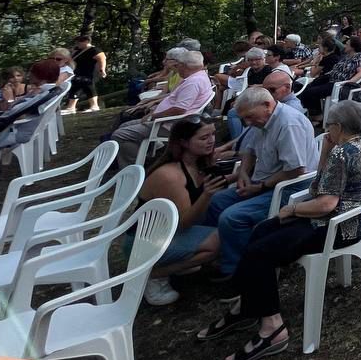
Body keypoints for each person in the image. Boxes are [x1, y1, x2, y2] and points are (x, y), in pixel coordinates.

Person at [196, 99, 361, 360]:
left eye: (329, 127)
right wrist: (326, 151)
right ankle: (247, 305)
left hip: (339, 226)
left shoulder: (344, 153)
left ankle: (272, 328)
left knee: (261, 251)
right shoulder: (358, 144)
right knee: (261, 231)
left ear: (338, 127)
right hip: (334, 220)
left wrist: (293, 210)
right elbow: (321, 188)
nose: (326, 132)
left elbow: (326, 203)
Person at [205, 87, 319, 280]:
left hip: (290, 188)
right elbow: (249, 150)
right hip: (264, 182)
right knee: (217, 200)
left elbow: (295, 170)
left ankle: (239, 272)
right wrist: (243, 174)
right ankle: (220, 251)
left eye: (249, 117)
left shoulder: (288, 124)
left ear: (267, 105)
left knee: (231, 217)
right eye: (244, 119)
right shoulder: (263, 120)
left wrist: (259, 187)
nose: (247, 123)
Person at [137, 116, 229, 305]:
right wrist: (206, 194)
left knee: (224, 223)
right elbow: (184, 222)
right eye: (204, 138)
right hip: (145, 242)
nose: (211, 140)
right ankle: (151, 274)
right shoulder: (171, 176)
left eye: (213, 134)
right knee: (221, 239)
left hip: (165, 233)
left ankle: (175, 264)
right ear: (184, 142)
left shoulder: (195, 163)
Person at [111, 51, 213, 167]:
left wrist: (153, 116)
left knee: (120, 134)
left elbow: (179, 109)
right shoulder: (199, 76)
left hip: (170, 124)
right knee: (123, 126)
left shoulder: (193, 83)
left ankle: (135, 168)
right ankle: (142, 159)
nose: (176, 67)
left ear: (184, 66)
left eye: (177, 65)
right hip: (169, 121)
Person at [67, 33, 107, 113]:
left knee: (89, 87)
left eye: (79, 42)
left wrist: (102, 69)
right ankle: (71, 107)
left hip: (89, 72)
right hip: (77, 72)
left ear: (86, 41)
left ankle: (94, 106)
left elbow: (102, 58)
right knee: (74, 87)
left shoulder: (94, 50)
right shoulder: (77, 50)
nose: (77, 44)